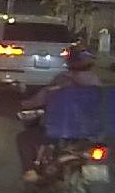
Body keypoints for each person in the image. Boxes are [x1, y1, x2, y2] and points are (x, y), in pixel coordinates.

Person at [16, 45, 103, 183]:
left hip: (62, 131)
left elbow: (42, 98)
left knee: (24, 138)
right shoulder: (96, 82)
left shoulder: (63, 79)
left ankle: (30, 172)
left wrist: (24, 104)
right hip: (89, 133)